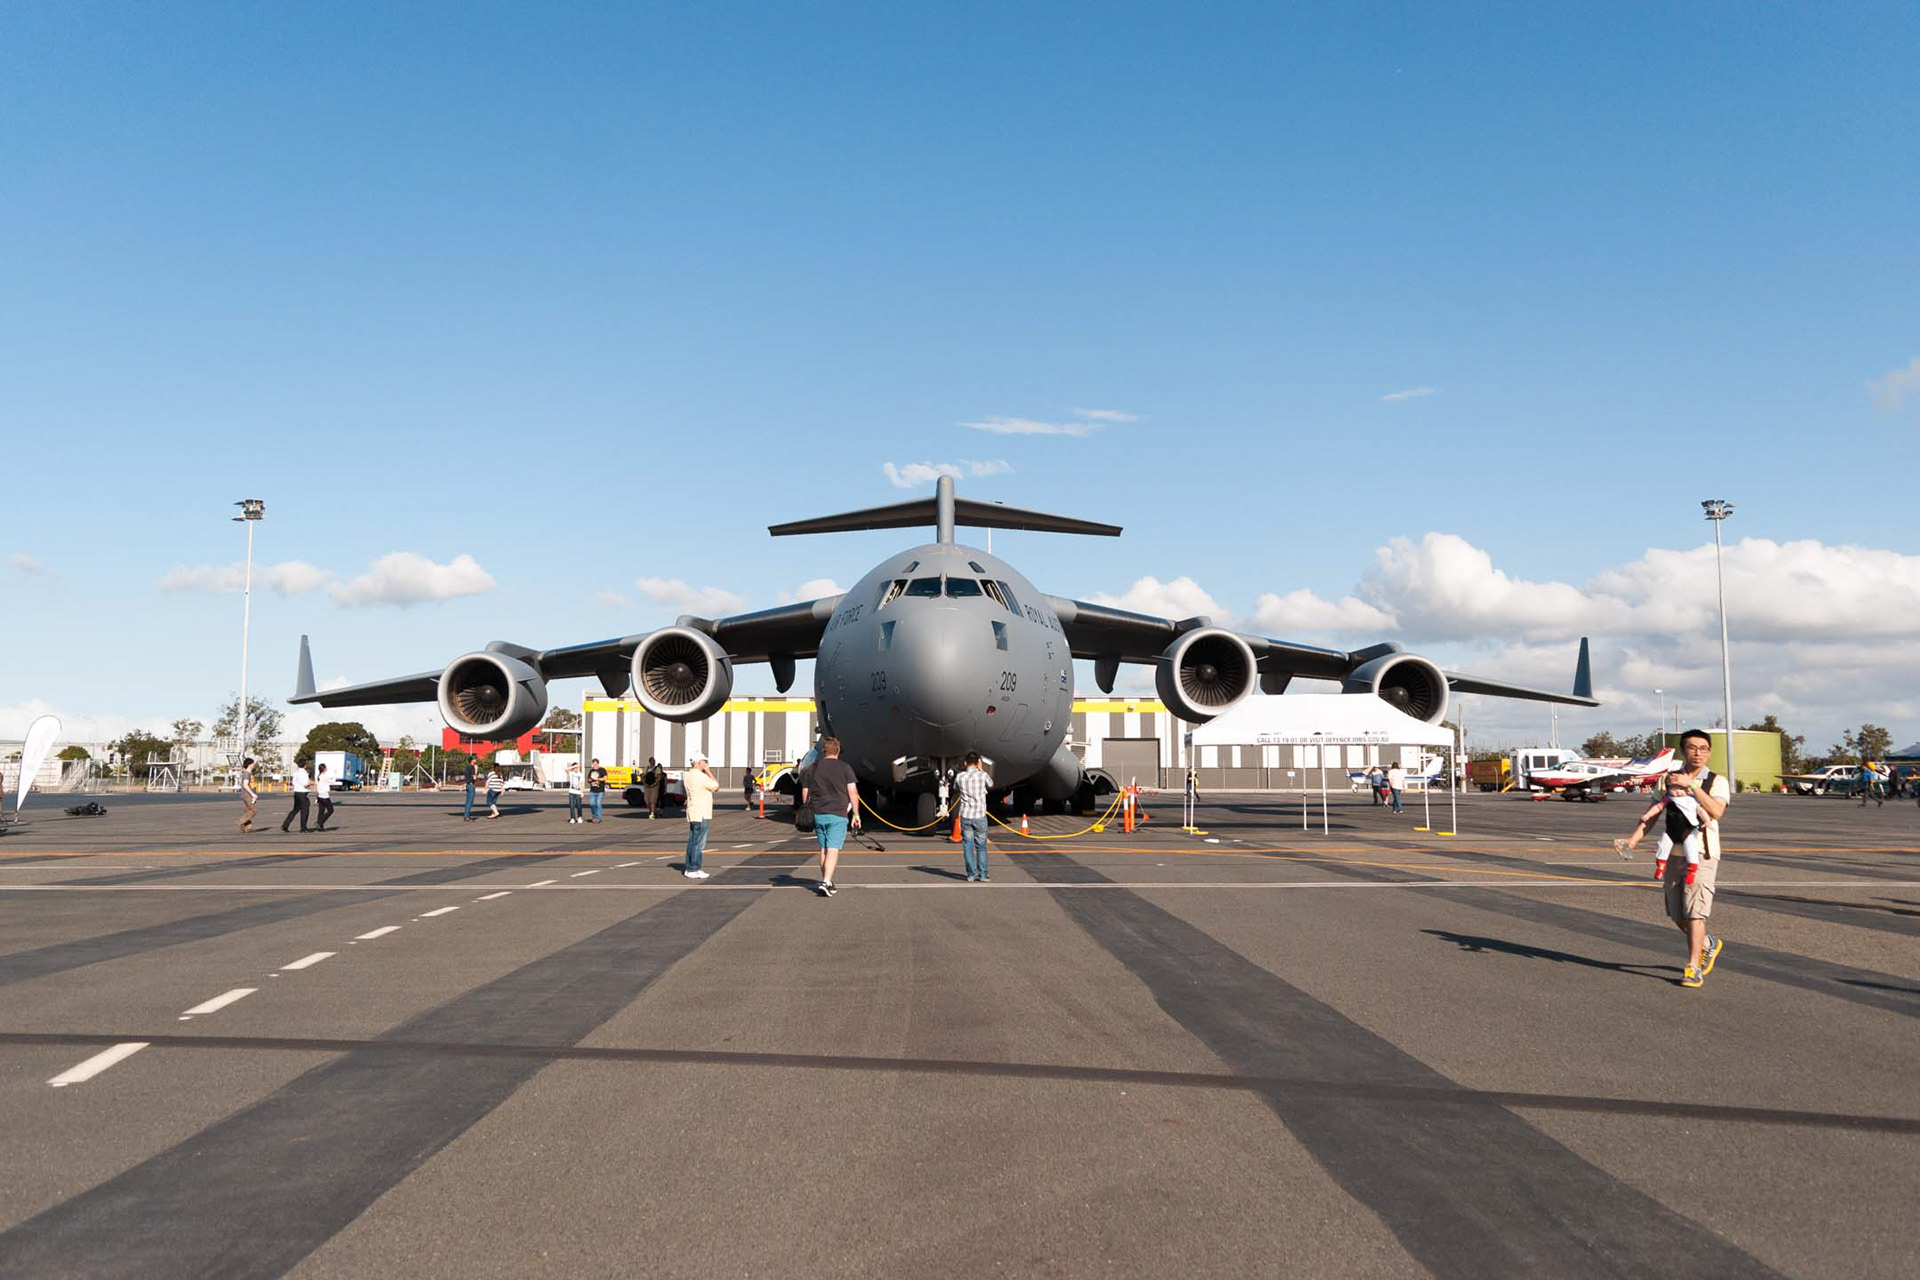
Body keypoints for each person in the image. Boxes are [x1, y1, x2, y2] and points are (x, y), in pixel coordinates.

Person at [1617, 729, 1729, 989]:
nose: (1698, 753)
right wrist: (1632, 840)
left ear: (1709, 752)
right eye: (1692, 748)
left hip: (1702, 853)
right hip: (1673, 853)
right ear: (1683, 751)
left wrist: (1692, 786)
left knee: (1695, 913)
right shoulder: (1666, 780)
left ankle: (1692, 967)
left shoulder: (1716, 781)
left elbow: (1716, 811)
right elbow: (1654, 813)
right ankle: (1708, 943)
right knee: (1677, 914)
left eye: (1703, 748)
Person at [800, 736, 860, 897]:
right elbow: (853, 792)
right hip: (838, 814)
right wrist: (856, 813)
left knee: (824, 848)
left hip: (818, 813)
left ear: (823, 751)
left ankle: (827, 880)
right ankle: (826, 881)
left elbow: (805, 791)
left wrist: (806, 806)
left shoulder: (812, 768)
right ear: (838, 751)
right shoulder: (845, 767)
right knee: (833, 848)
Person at [681, 749, 720, 879]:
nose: (706, 763)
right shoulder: (701, 776)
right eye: (704, 761)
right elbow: (716, 786)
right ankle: (694, 868)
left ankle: (689, 867)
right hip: (702, 812)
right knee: (698, 842)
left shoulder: (687, 776)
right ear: (698, 762)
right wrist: (708, 771)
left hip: (693, 810)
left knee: (692, 840)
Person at [955, 752, 991, 882]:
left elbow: (955, 788)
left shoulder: (960, 777)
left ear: (965, 763)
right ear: (978, 763)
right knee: (981, 846)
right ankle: (983, 875)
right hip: (980, 815)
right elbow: (991, 784)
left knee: (967, 846)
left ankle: (970, 874)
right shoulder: (983, 776)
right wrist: (981, 769)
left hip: (966, 815)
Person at [282, 760, 311, 833]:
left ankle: (285, 825)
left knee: (295, 810)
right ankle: (303, 827)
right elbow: (306, 784)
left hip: (296, 793)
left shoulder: (295, 773)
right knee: (305, 811)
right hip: (303, 793)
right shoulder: (304, 773)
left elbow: (294, 782)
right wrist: (312, 783)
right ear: (305, 765)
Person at [235, 756, 257, 833]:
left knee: (248, 810)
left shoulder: (249, 773)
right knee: (253, 810)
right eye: (253, 763)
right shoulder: (246, 773)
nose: (254, 765)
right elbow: (245, 785)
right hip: (247, 795)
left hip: (249, 795)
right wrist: (252, 794)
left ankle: (248, 827)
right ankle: (240, 822)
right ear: (249, 764)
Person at [313, 763, 335, 832]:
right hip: (324, 795)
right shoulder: (324, 776)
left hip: (319, 795)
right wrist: (334, 775)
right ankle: (319, 822)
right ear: (324, 769)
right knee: (331, 810)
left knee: (321, 811)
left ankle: (320, 827)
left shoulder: (318, 776)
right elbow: (332, 781)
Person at [587, 757, 608, 823]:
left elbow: (605, 778)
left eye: (595, 764)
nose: (594, 766)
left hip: (600, 790)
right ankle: (594, 816)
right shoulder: (591, 770)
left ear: (598, 764)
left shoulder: (602, 770)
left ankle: (598, 818)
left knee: (598, 803)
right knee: (592, 804)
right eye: (593, 764)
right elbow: (588, 779)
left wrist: (597, 779)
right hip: (592, 790)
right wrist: (590, 780)